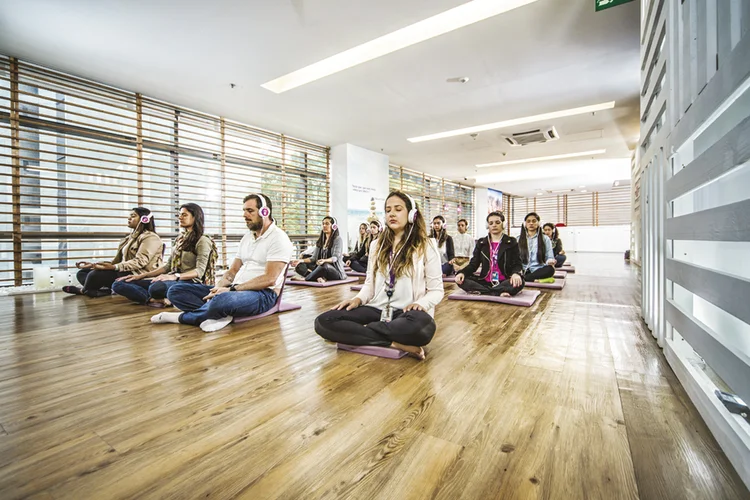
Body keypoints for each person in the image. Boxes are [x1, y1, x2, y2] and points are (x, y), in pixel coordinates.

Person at [315, 191, 442, 360]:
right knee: (324, 321)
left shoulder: (427, 245)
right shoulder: (376, 245)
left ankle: (362, 332)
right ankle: (393, 343)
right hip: (377, 309)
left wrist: (420, 303)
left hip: (406, 313)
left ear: (412, 214)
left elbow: (437, 291)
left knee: (423, 328)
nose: (392, 214)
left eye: (398, 209)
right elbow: (369, 284)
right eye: (388, 210)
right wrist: (357, 299)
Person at [152, 193, 293, 332]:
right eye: (244, 211)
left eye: (250, 211)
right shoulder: (247, 238)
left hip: (263, 294)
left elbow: (270, 278)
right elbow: (232, 272)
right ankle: (218, 314)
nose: (245, 215)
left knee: (223, 300)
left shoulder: (278, 238)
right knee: (175, 291)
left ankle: (183, 317)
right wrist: (217, 288)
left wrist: (230, 291)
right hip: (234, 289)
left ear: (265, 211)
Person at [112, 203, 217, 306]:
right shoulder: (180, 239)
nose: (180, 217)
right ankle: (153, 300)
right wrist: (140, 276)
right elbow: (167, 266)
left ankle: (158, 295)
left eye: (184, 215)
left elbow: (199, 271)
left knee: (156, 288)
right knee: (120, 283)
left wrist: (174, 277)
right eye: (179, 215)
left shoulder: (202, 240)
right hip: (173, 278)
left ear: (196, 217)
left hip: (190, 282)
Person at [63, 207, 163, 297]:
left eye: (133, 216)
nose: (129, 218)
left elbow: (140, 261)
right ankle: (103, 290)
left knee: (94, 275)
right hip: (124, 270)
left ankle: (84, 290)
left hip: (136, 273)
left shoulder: (150, 237)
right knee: (83, 273)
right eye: (129, 216)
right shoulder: (129, 238)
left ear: (144, 219)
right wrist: (94, 265)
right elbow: (117, 261)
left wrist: (114, 267)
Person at [455, 211, 524, 297]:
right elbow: (473, 264)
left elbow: (517, 263)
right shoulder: (481, 242)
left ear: (503, 224)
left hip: (504, 280)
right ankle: (497, 292)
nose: (494, 225)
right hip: (485, 281)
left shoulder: (511, 241)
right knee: (462, 280)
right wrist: (462, 273)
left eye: (497, 222)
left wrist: (516, 274)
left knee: (520, 282)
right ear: (488, 226)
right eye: (491, 223)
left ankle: (485, 292)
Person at [292, 216, 347, 282]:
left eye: (327, 224)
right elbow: (313, 258)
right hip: (321, 268)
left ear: (333, 226)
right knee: (299, 265)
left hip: (335, 272)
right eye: (323, 224)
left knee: (324, 265)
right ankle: (317, 277)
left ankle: (306, 278)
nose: (324, 226)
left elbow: (335, 258)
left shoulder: (338, 239)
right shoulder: (321, 240)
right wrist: (300, 261)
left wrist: (324, 260)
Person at [518, 212, 556, 282]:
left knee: (550, 269)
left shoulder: (545, 239)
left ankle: (524, 278)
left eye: (534, 221)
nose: (531, 223)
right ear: (525, 224)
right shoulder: (518, 239)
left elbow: (549, 257)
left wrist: (550, 261)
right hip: (522, 269)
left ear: (539, 223)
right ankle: (529, 278)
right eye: (528, 221)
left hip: (538, 269)